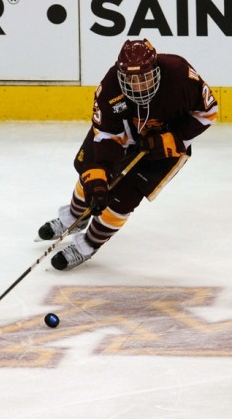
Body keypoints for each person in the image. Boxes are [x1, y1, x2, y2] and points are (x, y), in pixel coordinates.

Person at [37, 39, 217, 271]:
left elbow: (208, 111)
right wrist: (100, 176)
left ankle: (88, 245)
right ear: (121, 74)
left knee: (123, 201)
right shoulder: (109, 88)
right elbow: (105, 136)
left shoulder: (179, 74)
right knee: (90, 177)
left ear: (156, 70)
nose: (139, 85)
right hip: (123, 135)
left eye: (144, 77)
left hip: (166, 145)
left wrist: (172, 138)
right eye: (131, 79)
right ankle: (73, 216)